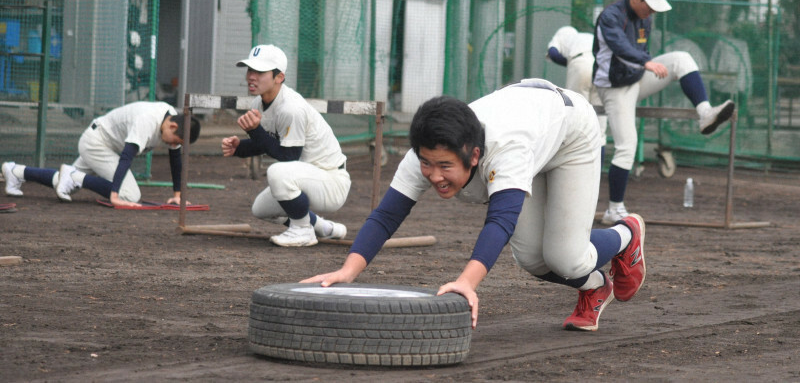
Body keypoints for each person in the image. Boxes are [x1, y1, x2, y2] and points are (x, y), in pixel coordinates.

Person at [303, 79, 647, 332]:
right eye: (427, 164)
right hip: (530, 117)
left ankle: (625, 235)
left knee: (567, 258)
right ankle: (596, 286)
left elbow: (500, 221)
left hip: (570, 133)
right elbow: (387, 215)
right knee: (530, 258)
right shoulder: (426, 152)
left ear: (475, 155)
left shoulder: (505, 149)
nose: (434, 175)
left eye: (445, 166)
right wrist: (348, 270)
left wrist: (466, 282)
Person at [592, 0, 735, 225]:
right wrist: (646, 63)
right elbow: (619, 50)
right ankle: (614, 208)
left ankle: (705, 113)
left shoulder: (645, 18)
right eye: (649, 5)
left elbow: (640, 52)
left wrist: (645, 64)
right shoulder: (610, 16)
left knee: (681, 59)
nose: (652, 12)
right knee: (627, 145)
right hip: (614, 87)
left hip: (636, 77)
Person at [221, 44, 350, 247]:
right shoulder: (258, 103)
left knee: (278, 172)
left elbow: (288, 156)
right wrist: (240, 148)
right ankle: (324, 229)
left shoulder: (291, 108)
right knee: (261, 209)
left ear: (279, 77)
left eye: (260, 71)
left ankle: (302, 230)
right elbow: (269, 143)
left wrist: (255, 131)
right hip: (307, 178)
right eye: (250, 69)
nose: (251, 76)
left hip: (331, 181)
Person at [3, 101, 200, 207]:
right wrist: (114, 195)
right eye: (175, 140)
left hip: (103, 144)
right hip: (97, 143)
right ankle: (73, 176)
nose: (173, 144)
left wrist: (178, 196)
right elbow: (127, 157)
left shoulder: (173, 121)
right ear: (173, 126)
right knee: (130, 195)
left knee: (62, 183)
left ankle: (16, 172)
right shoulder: (148, 120)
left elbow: (175, 159)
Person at [546, 26, 607, 141]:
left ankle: (576, 151)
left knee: (577, 111)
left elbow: (553, 53)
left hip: (580, 63)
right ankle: (600, 157)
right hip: (601, 65)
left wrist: (571, 64)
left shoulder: (561, 36)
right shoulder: (587, 37)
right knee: (599, 119)